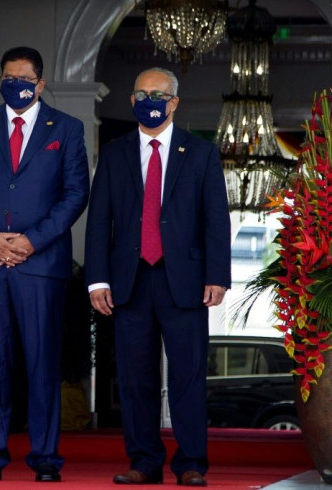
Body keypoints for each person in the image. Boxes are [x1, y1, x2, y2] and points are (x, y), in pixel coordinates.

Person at [0, 46, 90, 483]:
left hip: (39, 264)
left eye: (24, 78)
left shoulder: (66, 128)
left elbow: (74, 194)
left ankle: (45, 456)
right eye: (8, 76)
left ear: (40, 83)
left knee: (42, 361)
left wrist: (31, 241)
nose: (16, 84)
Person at [84, 67, 231, 487]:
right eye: (142, 93)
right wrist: (98, 280)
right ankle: (145, 461)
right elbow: (99, 223)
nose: (150, 100)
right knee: (134, 379)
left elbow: (215, 220)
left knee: (186, 376)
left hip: (183, 280)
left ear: (174, 103)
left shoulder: (200, 153)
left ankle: (190, 464)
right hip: (128, 281)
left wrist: (217, 275)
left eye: (159, 94)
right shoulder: (114, 153)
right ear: (132, 101)